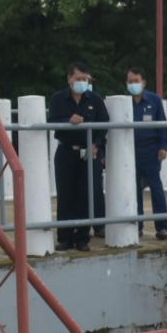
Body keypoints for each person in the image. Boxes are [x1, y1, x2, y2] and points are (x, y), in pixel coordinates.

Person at [47, 61, 107, 251]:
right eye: (78, 78)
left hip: (89, 153)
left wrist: (97, 144)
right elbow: (52, 121)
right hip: (66, 152)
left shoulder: (95, 99)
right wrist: (68, 120)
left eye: (85, 79)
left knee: (86, 195)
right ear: (69, 79)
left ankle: (82, 238)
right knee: (65, 196)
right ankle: (65, 238)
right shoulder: (58, 98)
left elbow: (104, 123)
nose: (82, 82)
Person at [126, 67, 167, 240]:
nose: (133, 84)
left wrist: (163, 147)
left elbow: (163, 126)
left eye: (136, 81)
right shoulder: (124, 102)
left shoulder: (154, 100)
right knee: (134, 189)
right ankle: (137, 226)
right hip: (130, 151)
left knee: (156, 187)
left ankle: (162, 226)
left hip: (151, 150)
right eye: (130, 81)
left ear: (143, 82)